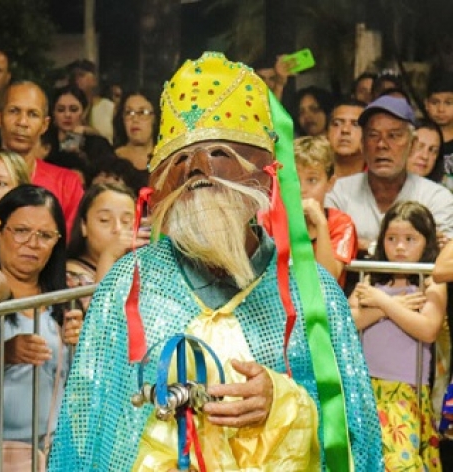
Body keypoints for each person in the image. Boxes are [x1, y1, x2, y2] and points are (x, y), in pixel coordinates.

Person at [48, 52, 382, 471]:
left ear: (264, 176)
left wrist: (283, 402)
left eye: (219, 154)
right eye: (180, 162)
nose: (197, 170)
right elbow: (90, 427)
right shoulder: (129, 285)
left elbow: (356, 432)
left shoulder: (313, 293)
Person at [0, 184, 82, 446]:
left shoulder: (64, 303)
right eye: (21, 231)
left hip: (51, 453)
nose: (32, 244)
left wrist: (81, 347)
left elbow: (81, 386)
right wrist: (4, 353)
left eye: (45, 235)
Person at [350, 201, 445, 470]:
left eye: (410, 239)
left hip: (405, 391)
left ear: (426, 242)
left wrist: (384, 303)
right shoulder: (371, 279)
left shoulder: (430, 282)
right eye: (392, 239)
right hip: (366, 387)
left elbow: (428, 329)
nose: (400, 247)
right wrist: (388, 308)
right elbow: (347, 322)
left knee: (399, 462)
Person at [326, 95, 453, 258]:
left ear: (412, 144)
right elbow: (326, 242)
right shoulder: (337, 192)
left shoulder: (436, 198)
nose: (382, 145)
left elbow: (444, 254)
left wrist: (359, 243)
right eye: (373, 135)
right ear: (363, 144)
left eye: (393, 135)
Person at [0, 81, 84, 235]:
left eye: (33, 114)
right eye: (14, 111)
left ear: (44, 125)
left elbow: (68, 248)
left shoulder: (67, 184)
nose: (22, 122)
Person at [260, 136, 357, 286]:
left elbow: (328, 280)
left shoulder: (341, 223)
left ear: (330, 183)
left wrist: (321, 224)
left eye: (312, 180)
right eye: (294, 180)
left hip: (327, 307)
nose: (302, 189)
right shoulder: (268, 219)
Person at [65, 183, 149, 311]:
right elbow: (99, 317)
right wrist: (109, 255)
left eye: (126, 221)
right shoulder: (69, 276)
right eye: (105, 220)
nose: (118, 229)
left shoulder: (139, 267)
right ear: (83, 226)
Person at [43, 85, 115, 170]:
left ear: (84, 112)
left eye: (73, 110)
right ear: (53, 114)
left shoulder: (98, 144)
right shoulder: (44, 142)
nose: (67, 115)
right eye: (61, 110)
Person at [67, 59, 115, 143]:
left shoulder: (108, 107)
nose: (77, 80)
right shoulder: (69, 108)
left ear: (94, 80)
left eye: (81, 75)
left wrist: (90, 131)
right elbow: (69, 145)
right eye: (75, 76)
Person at [112, 89, 159, 173]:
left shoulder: (167, 161)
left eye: (142, 112)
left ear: (155, 118)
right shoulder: (111, 160)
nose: (135, 119)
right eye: (129, 112)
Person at [424, 72, 453, 191]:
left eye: (448, 103)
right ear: (426, 104)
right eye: (435, 102)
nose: (441, 109)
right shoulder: (417, 136)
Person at [326, 98, 367, 180]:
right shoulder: (307, 171)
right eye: (337, 124)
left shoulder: (380, 177)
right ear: (326, 132)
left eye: (355, 124)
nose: (345, 130)